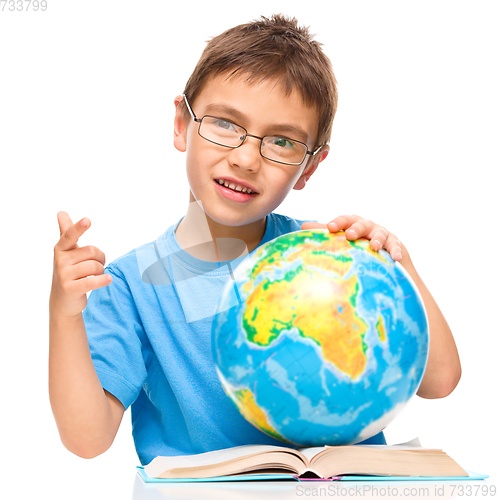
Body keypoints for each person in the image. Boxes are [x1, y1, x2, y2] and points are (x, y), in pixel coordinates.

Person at [49, 14, 461, 466]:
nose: (246, 158)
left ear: (310, 167)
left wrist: (397, 263)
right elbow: (87, 439)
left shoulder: (332, 256)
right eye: (225, 123)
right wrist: (64, 313)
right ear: (181, 125)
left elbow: (439, 381)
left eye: (282, 142)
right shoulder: (129, 286)